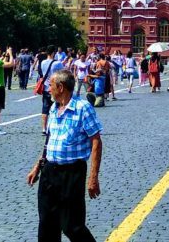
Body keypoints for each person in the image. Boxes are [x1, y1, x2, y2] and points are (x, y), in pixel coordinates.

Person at [27, 69, 103, 242]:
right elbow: (50, 140)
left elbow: (96, 141)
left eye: (51, 85)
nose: (48, 89)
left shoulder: (82, 108)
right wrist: (37, 167)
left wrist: (93, 177)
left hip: (71, 173)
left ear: (60, 87)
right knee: (46, 225)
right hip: (49, 173)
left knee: (72, 225)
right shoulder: (54, 107)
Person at [38, 48, 66, 136]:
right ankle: (56, 126)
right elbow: (63, 74)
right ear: (53, 53)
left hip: (46, 88)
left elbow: (41, 73)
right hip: (55, 89)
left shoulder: (42, 62)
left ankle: (44, 128)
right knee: (58, 108)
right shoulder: (57, 63)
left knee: (45, 109)